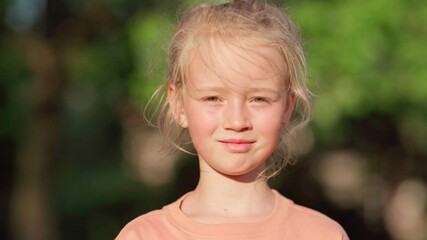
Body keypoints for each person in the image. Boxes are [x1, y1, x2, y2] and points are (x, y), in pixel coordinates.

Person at [116, 0, 349, 239]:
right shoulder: (144, 235)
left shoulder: (321, 234)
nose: (237, 122)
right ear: (178, 104)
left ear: (287, 107)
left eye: (259, 99)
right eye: (213, 98)